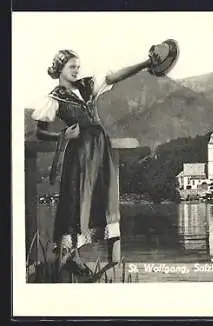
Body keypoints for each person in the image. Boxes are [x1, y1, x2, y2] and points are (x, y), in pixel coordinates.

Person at [32, 49, 152, 278]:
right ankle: (70, 257)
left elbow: (115, 76)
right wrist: (63, 136)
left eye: (78, 66)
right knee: (78, 200)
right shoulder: (55, 97)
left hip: (101, 150)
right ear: (60, 70)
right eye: (71, 67)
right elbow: (40, 132)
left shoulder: (87, 87)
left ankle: (112, 261)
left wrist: (145, 63)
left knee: (105, 196)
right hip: (79, 155)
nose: (77, 70)